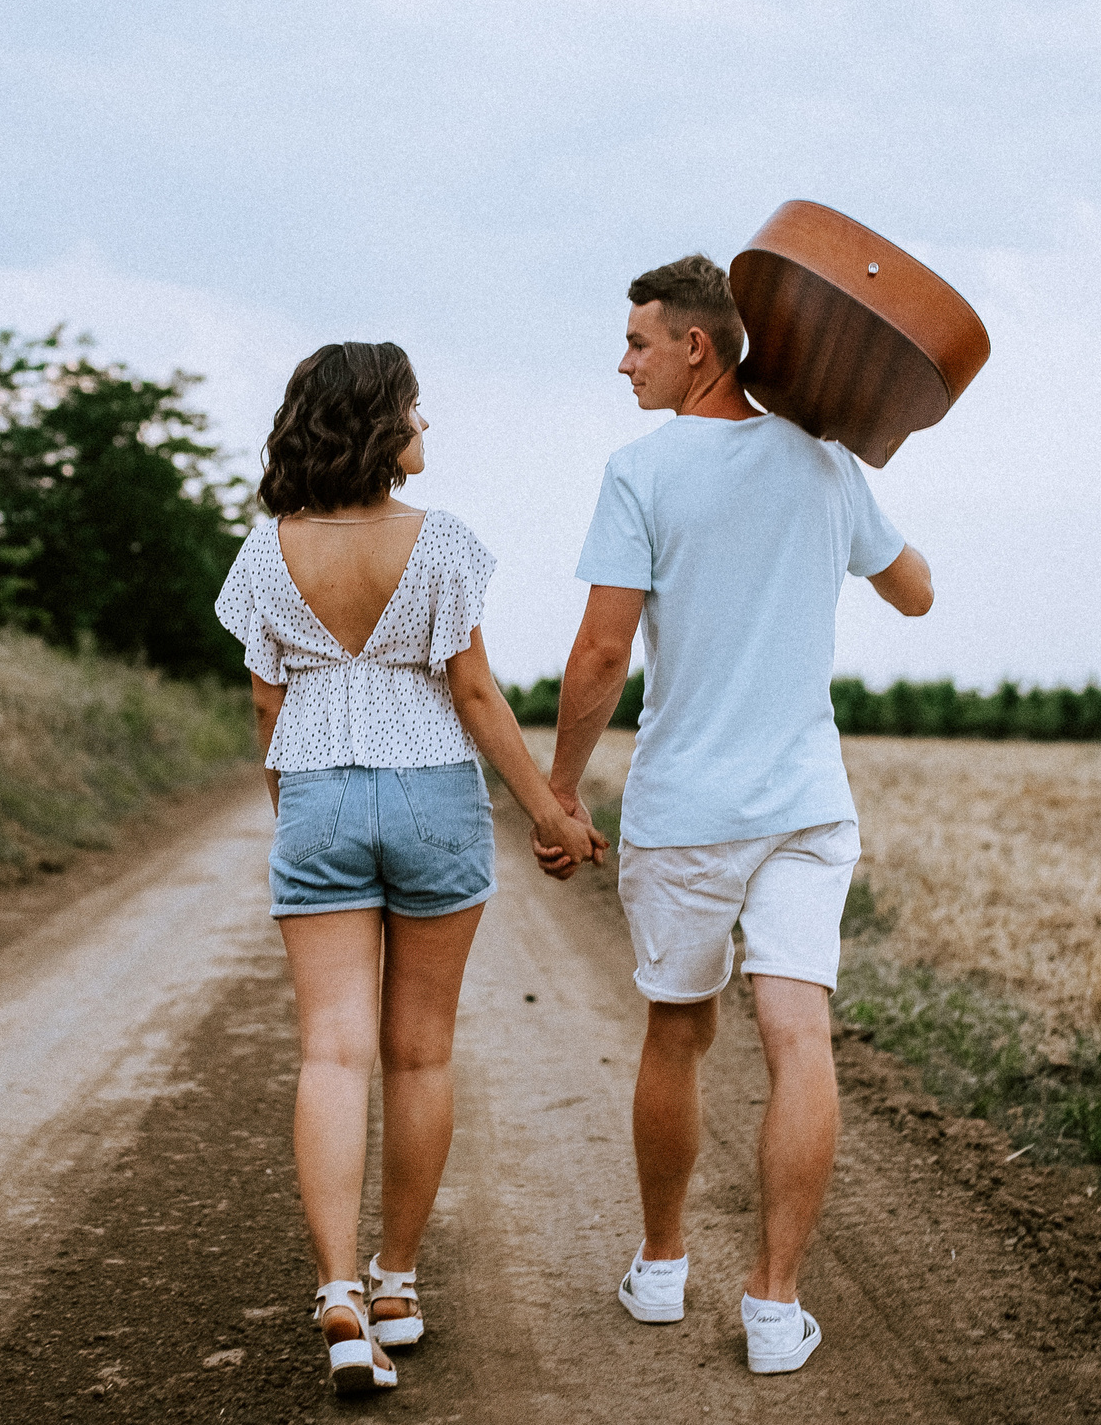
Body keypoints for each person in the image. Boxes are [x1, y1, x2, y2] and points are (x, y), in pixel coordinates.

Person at [537, 254, 933, 1376]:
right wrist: (847, 489)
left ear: (696, 346)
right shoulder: (825, 461)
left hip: (687, 807)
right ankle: (774, 1304)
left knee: (678, 1028)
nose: (623, 363)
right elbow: (915, 592)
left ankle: (661, 1268)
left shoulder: (641, 472)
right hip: (806, 805)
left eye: (637, 343)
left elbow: (604, 650)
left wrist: (562, 788)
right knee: (798, 1034)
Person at [215, 340, 601, 1397]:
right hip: (430, 794)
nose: (427, 428)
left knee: (331, 1054)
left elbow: (265, 705)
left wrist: (292, 808)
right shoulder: (441, 545)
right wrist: (551, 814)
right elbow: (474, 695)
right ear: (381, 426)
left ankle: (336, 1295)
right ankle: (396, 1281)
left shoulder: (265, 553)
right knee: (419, 1054)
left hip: (319, 794)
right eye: (416, 412)